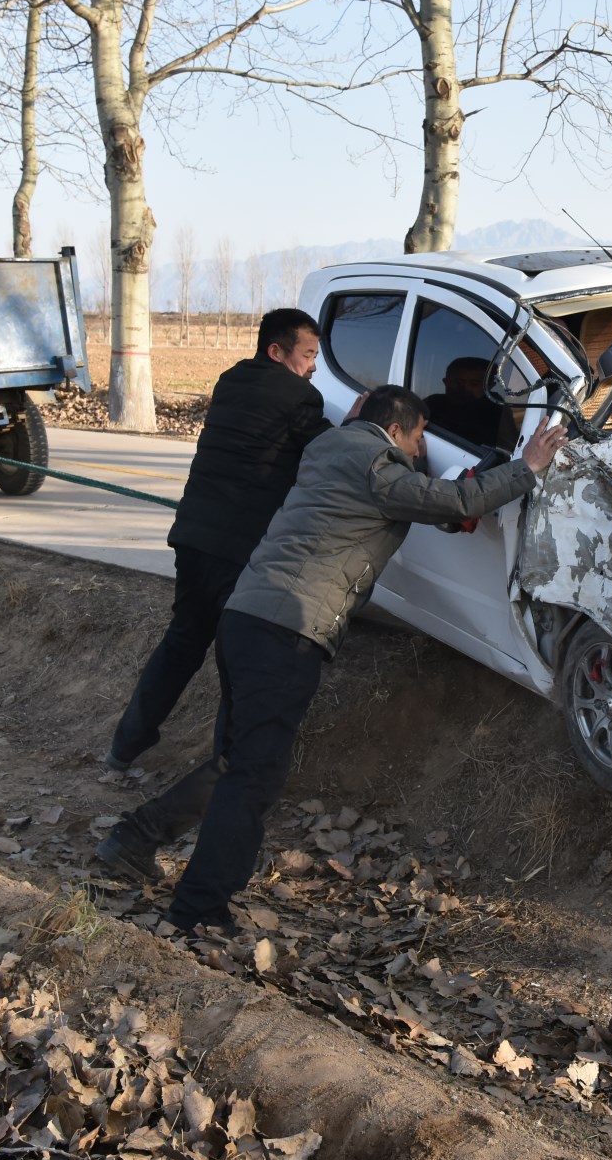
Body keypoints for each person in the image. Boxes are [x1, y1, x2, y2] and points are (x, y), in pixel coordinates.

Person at [148, 385, 565, 933]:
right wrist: (528, 466)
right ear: (394, 432)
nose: (419, 452)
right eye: (417, 439)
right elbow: (455, 502)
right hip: (288, 629)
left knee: (234, 760)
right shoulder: (378, 468)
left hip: (246, 615)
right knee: (254, 776)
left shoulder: (328, 447)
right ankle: (196, 907)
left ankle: (133, 839)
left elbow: (390, 469)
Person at [95, 311, 327, 864]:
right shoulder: (300, 401)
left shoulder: (228, 380)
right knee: (237, 660)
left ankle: (125, 745)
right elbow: (325, 453)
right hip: (237, 550)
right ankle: (227, 766)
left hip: (193, 536)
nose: (313, 369)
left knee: (182, 641)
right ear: (277, 352)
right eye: (308, 356)